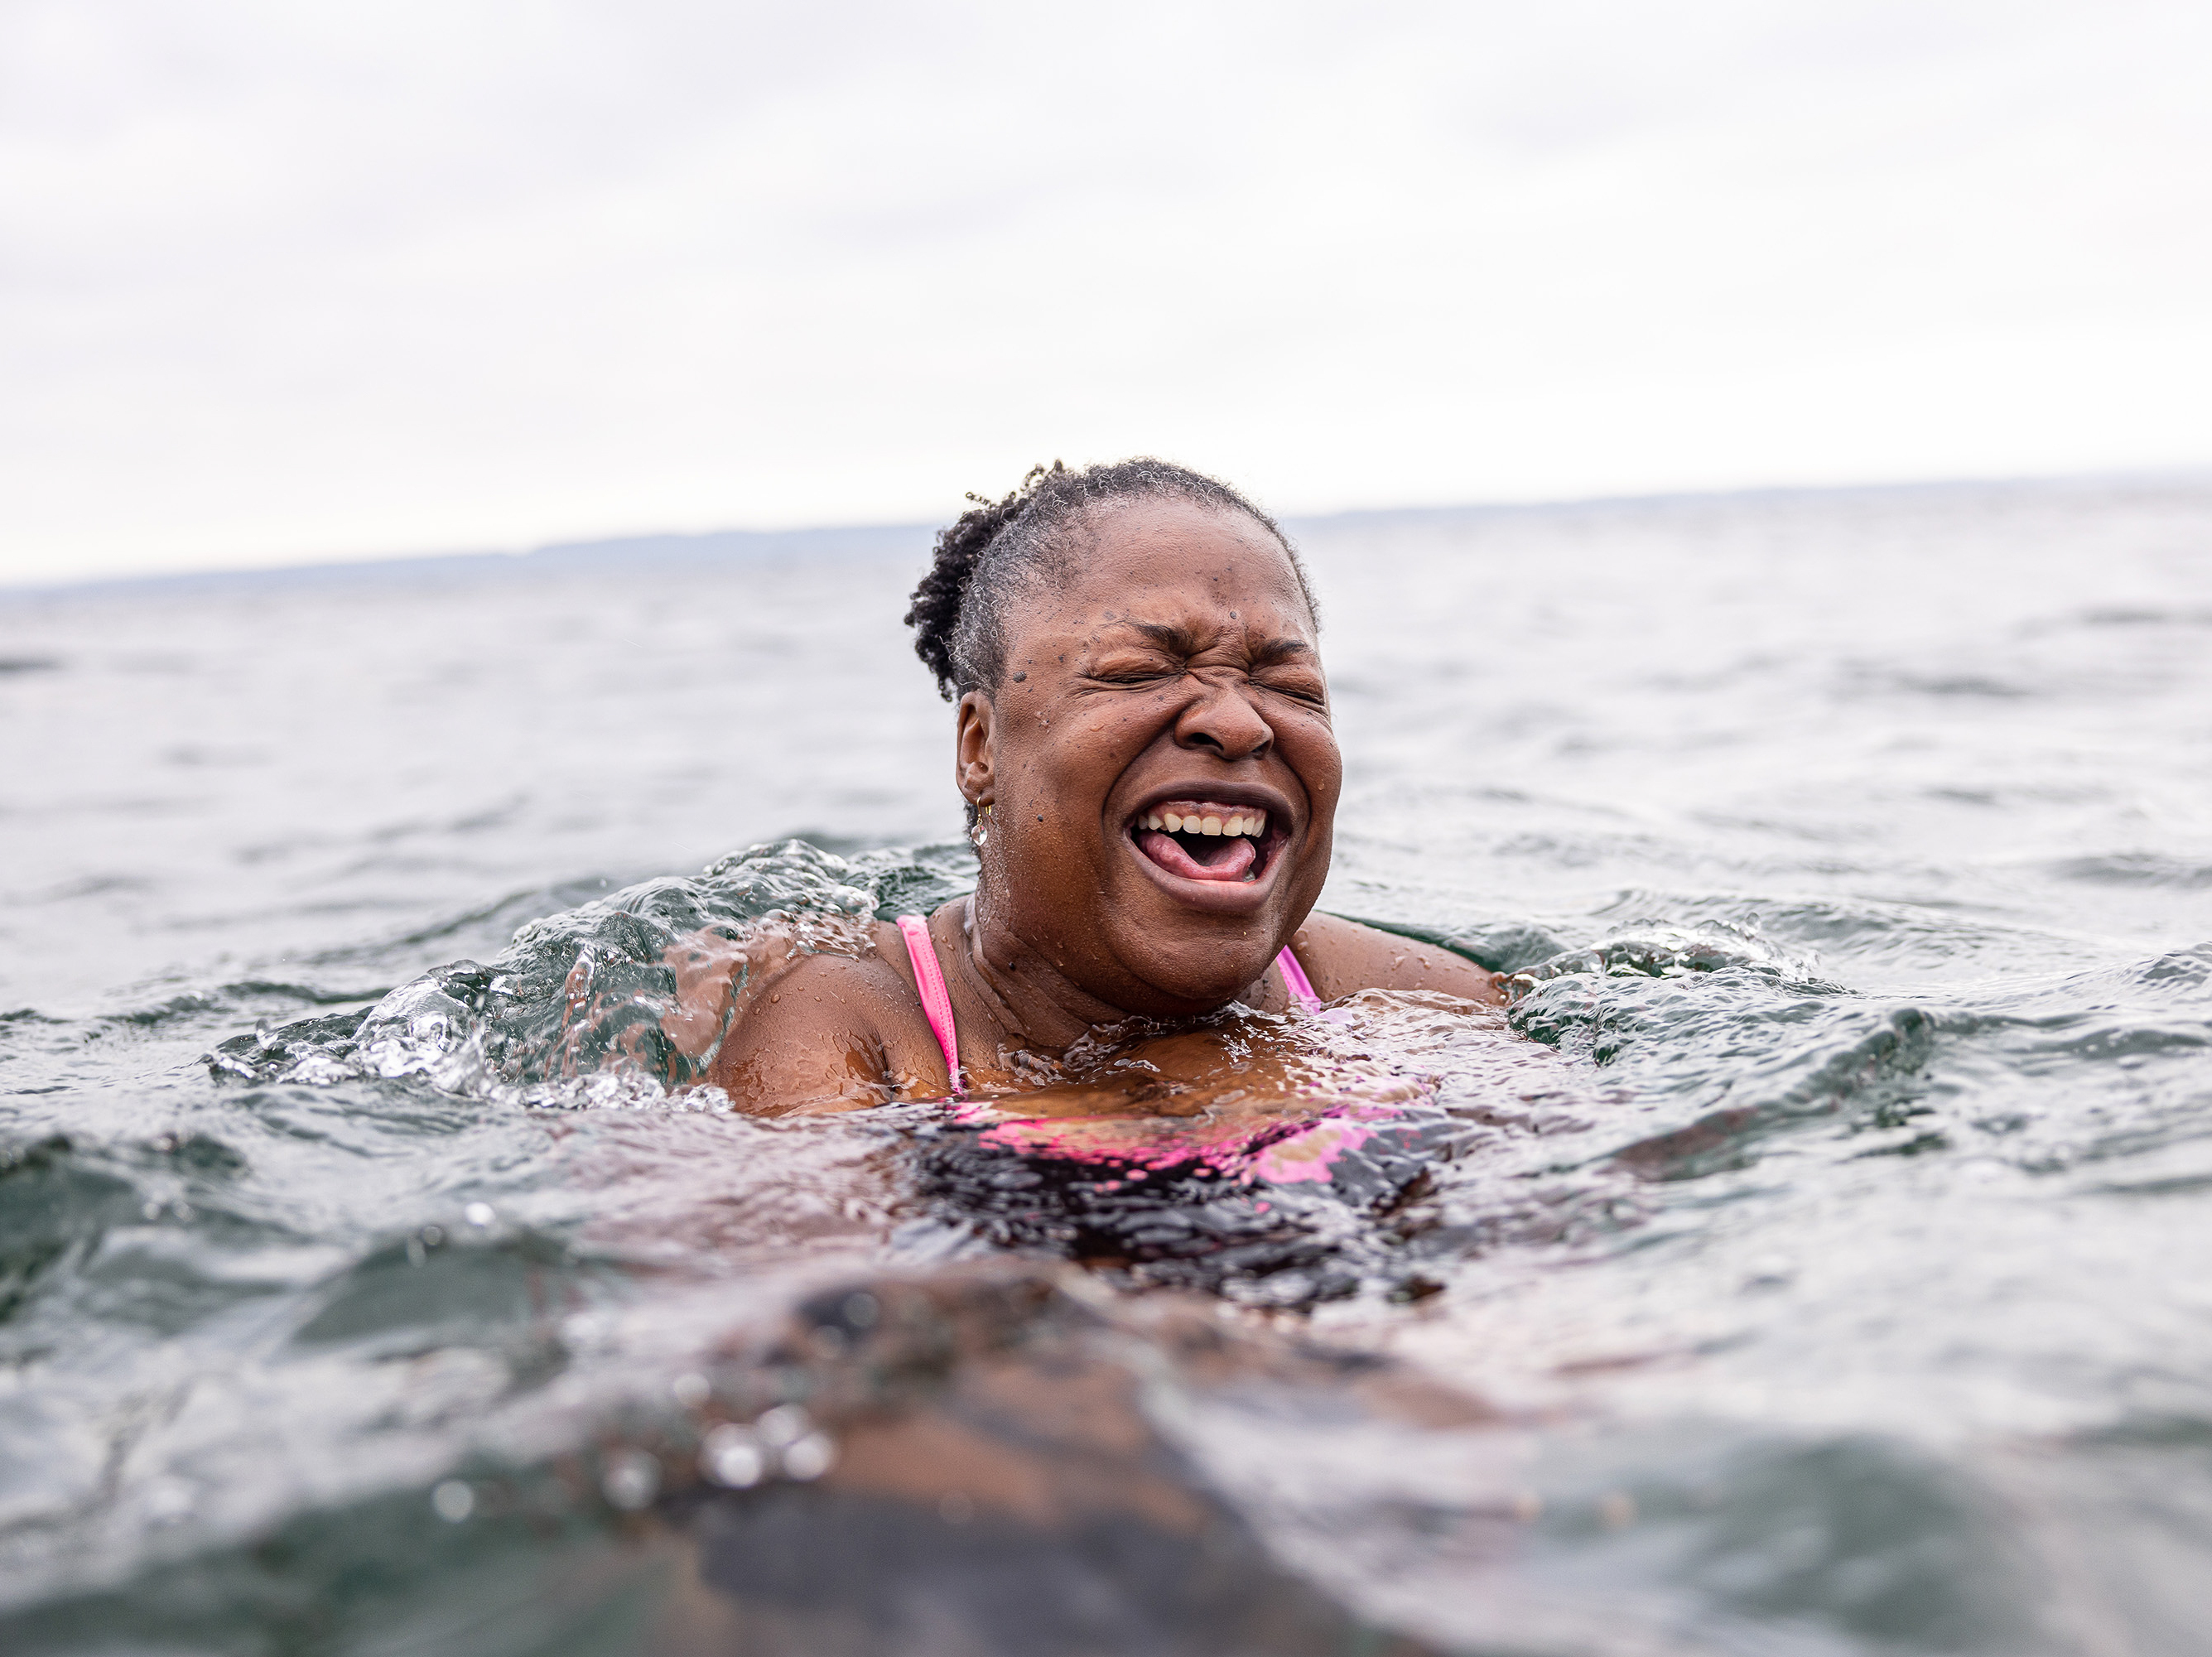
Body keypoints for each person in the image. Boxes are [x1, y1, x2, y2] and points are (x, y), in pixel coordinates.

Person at [705, 458, 1503, 1117]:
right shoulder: (856, 1026)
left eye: (1288, 683)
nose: (1238, 722)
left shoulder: (1418, 1004)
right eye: (1139, 671)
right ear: (980, 747)